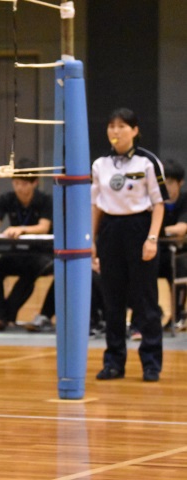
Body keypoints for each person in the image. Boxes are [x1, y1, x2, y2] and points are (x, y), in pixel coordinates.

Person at [91, 107, 167, 382]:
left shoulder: (148, 162)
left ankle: (151, 363)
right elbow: (96, 206)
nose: (115, 131)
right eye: (111, 126)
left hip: (139, 228)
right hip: (110, 231)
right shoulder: (100, 164)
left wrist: (152, 238)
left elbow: (159, 204)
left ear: (135, 130)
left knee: (145, 300)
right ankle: (113, 362)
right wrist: (92, 241)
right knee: (112, 301)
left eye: (122, 126)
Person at [0, 158, 53, 331]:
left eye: (24, 184)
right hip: (18, 252)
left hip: (42, 253)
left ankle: (3, 316)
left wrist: (21, 229)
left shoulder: (45, 200)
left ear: (34, 183)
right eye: (16, 183)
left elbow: (44, 227)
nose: (20, 188)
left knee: (30, 273)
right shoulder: (6, 199)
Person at [128, 158, 187, 339]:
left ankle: (178, 315)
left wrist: (159, 231)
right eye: (162, 182)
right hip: (154, 251)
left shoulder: (184, 200)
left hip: (177, 253)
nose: (165, 187)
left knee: (180, 267)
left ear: (180, 183)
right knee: (137, 272)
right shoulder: (149, 200)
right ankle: (139, 321)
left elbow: (182, 228)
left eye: (170, 182)